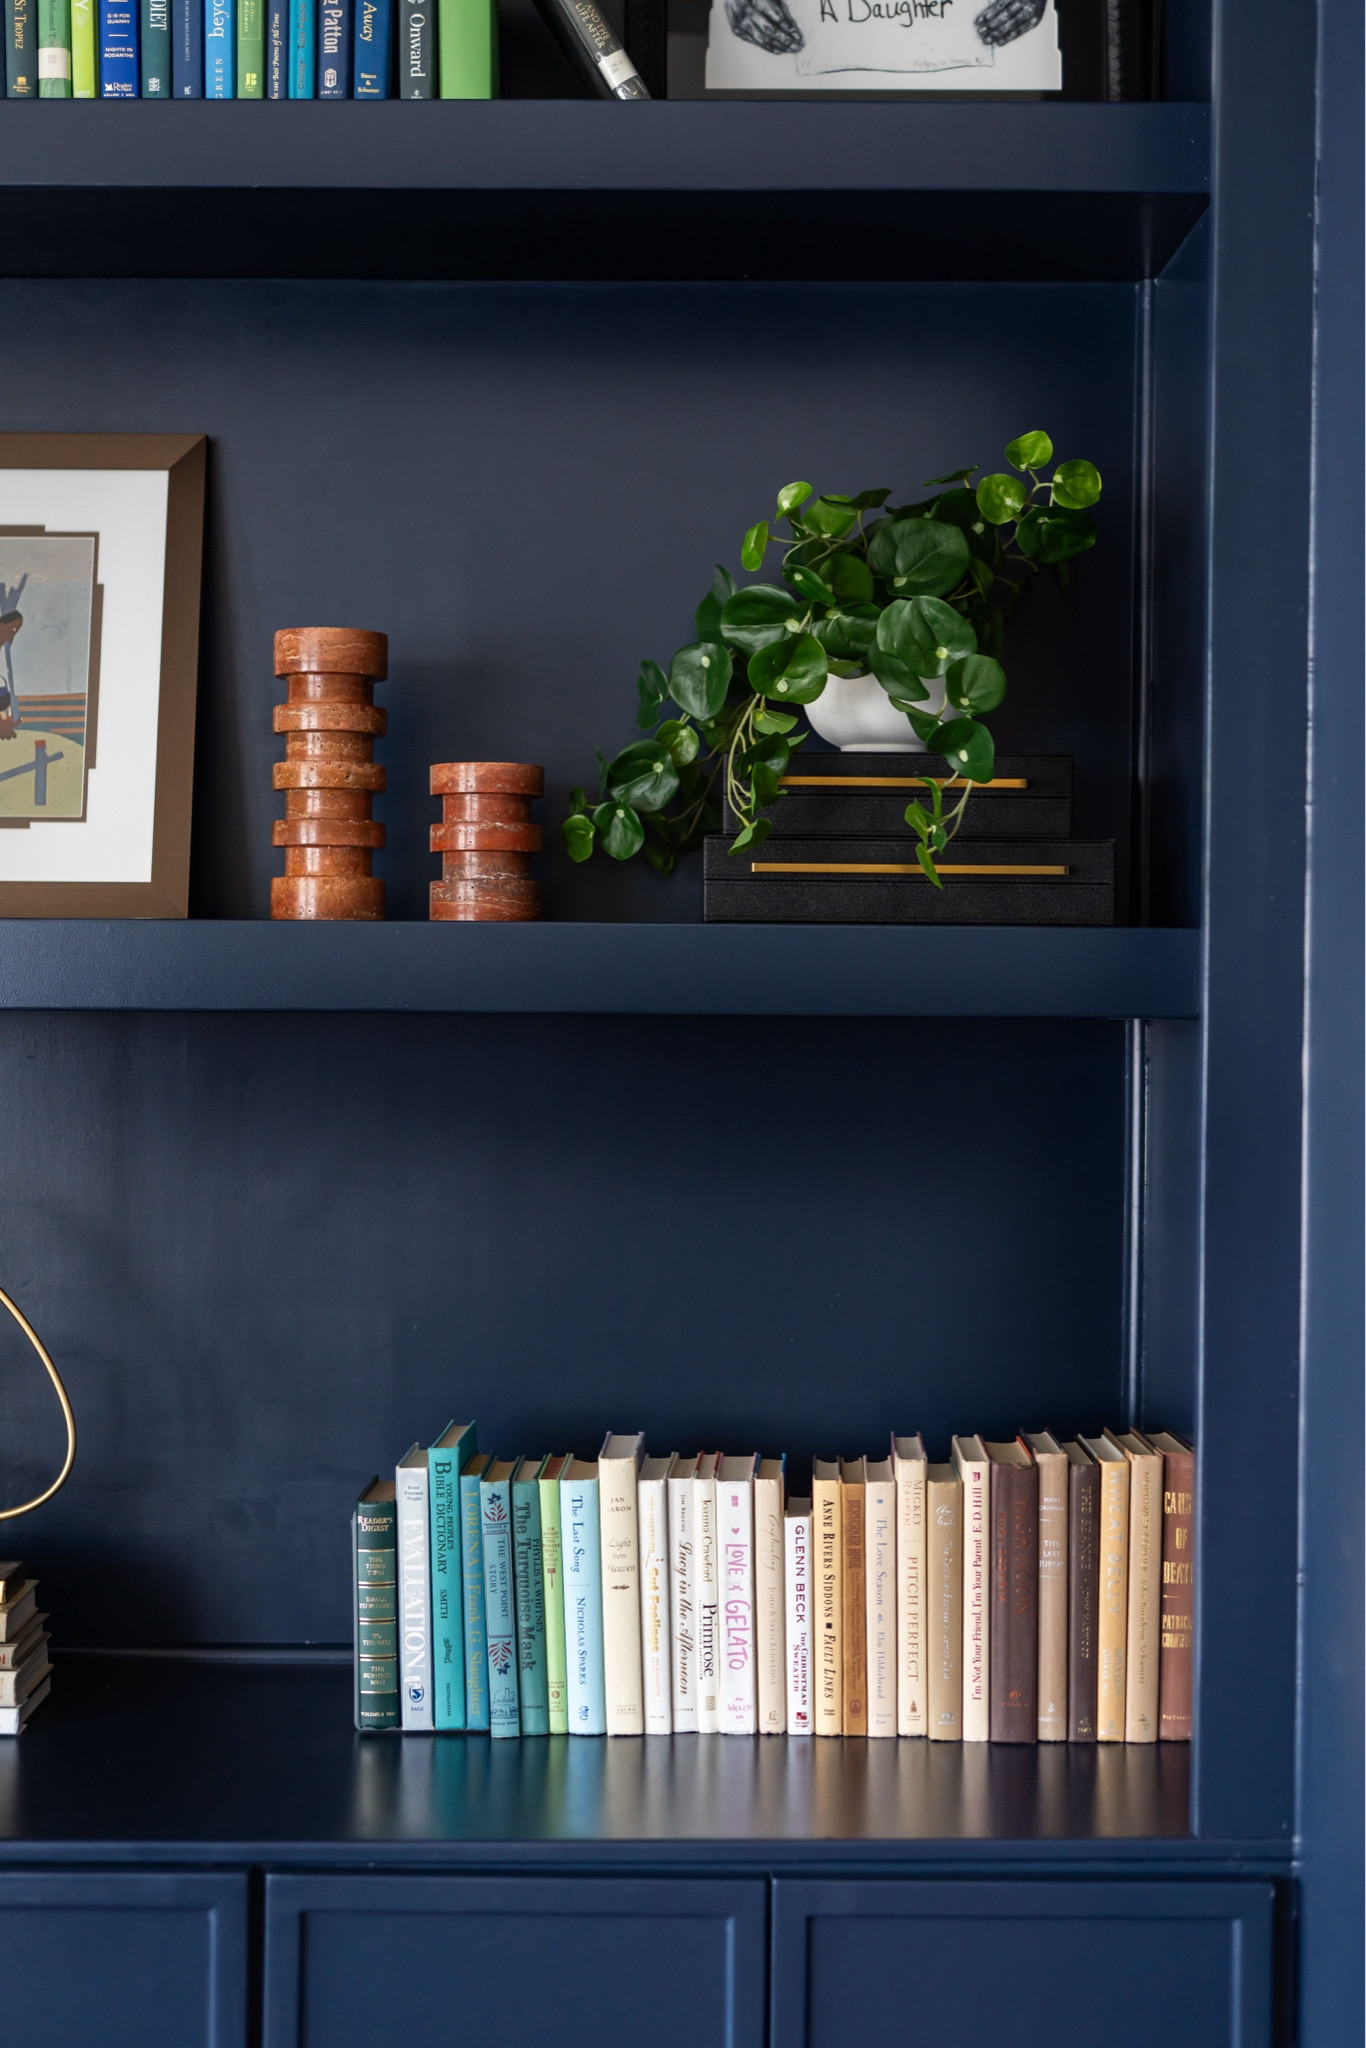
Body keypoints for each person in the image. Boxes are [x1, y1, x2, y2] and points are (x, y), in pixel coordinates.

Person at [0, 574, 27, 741]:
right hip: (5, 662)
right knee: (11, 625)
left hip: (5, 662)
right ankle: (5, 593)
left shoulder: (11, 714)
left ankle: (7, 593)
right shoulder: (10, 713)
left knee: (11, 624)